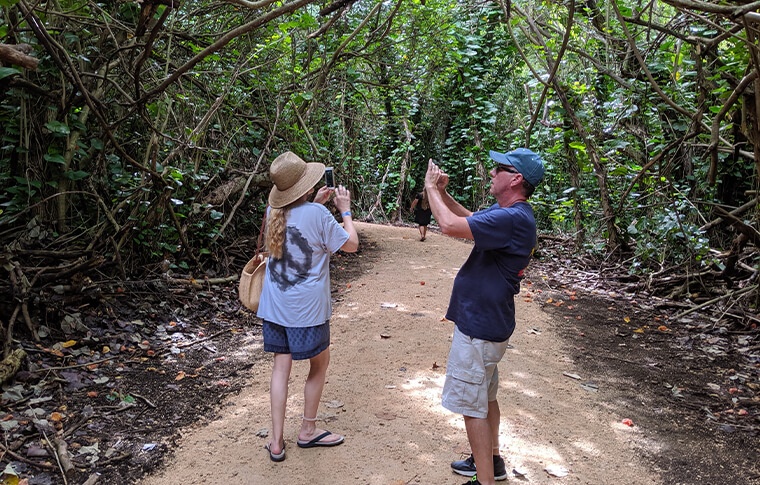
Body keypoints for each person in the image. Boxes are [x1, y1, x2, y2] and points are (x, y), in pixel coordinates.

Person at [424, 148, 545, 485]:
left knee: (472, 404)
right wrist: (444, 193)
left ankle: (485, 481)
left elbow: (449, 226)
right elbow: (471, 221)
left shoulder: (512, 218)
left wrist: (431, 189)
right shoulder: (511, 214)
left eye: (498, 169)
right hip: (489, 323)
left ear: (516, 179)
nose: (492, 173)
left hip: (480, 327)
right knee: (487, 395)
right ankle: (492, 460)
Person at [256, 151, 359, 463]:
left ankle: (276, 442)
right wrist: (345, 212)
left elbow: (295, 226)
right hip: (307, 311)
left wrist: (318, 204)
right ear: (305, 185)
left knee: (280, 369)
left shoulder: (273, 212)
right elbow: (351, 245)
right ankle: (308, 430)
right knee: (319, 365)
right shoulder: (319, 216)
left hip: (274, 306)